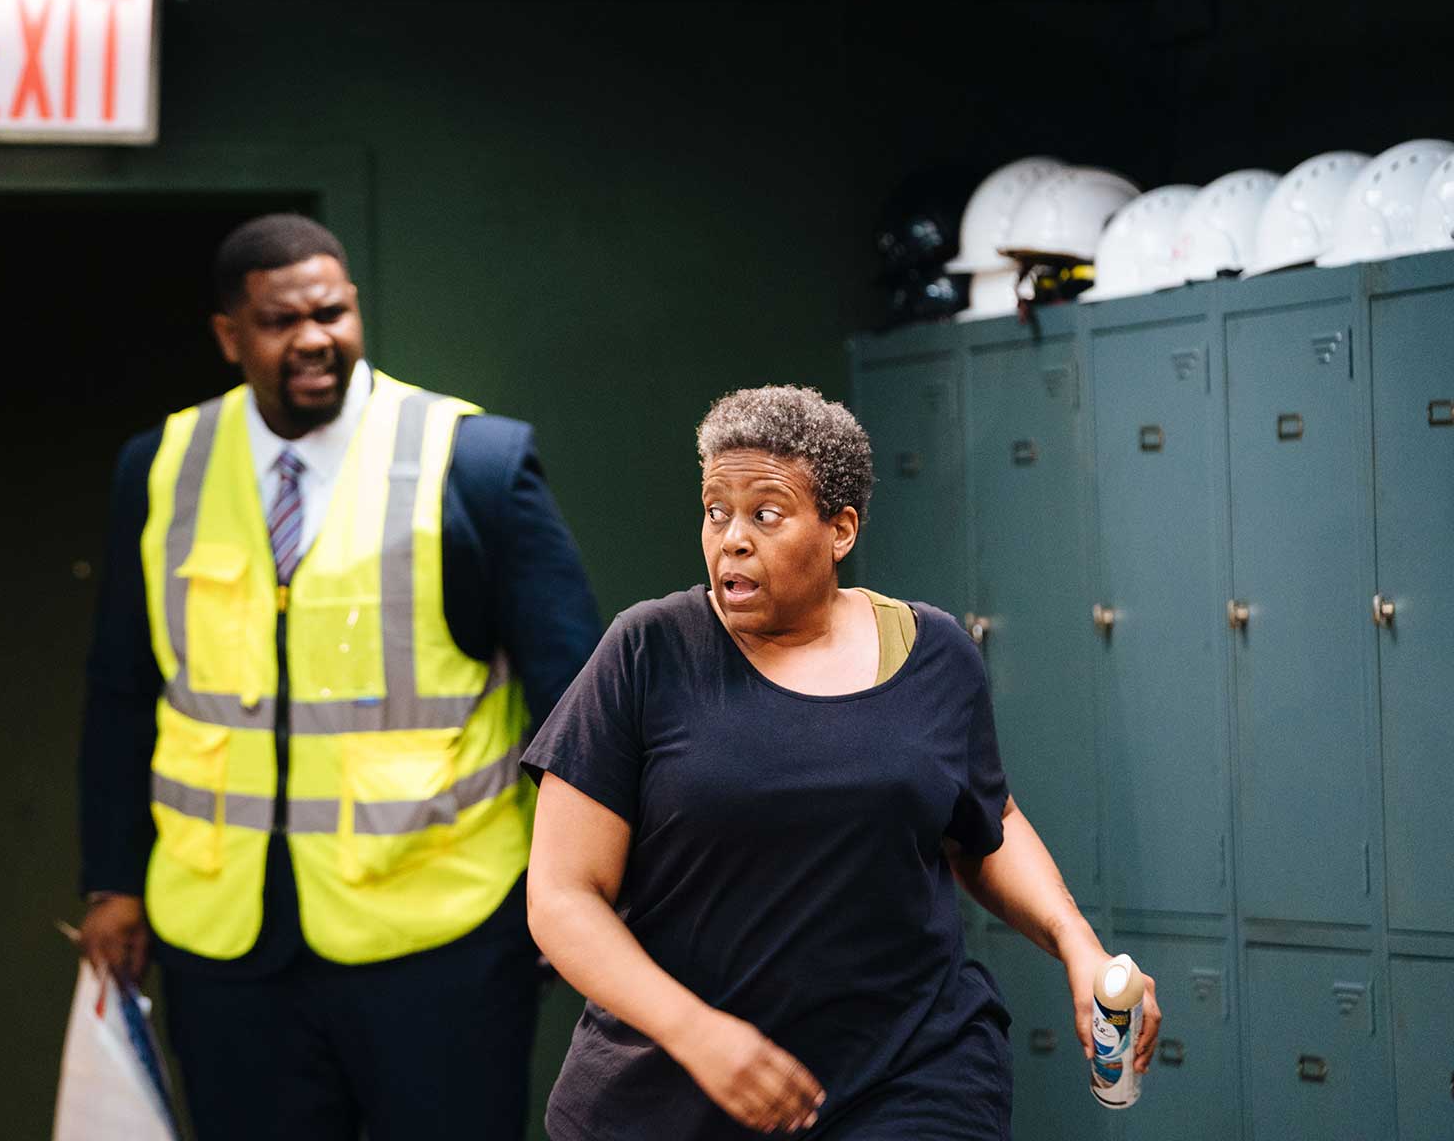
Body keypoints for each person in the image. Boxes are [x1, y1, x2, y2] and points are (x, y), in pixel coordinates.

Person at [78, 213, 602, 1141]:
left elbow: (578, 705)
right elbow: (123, 690)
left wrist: (571, 898)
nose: (316, 338)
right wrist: (113, 882)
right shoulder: (159, 470)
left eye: (333, 312)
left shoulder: (474, 461)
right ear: (229, 337)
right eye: (283, 320)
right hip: (223, 939)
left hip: (441, 934)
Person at [521, 384, 1161, 1138]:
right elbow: (562, 897)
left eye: (765, 513)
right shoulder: (647, 651)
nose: (731, 537)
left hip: (908, 1071)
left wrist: (1075, 945)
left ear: (840, 529)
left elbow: (988, 826)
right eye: (715, 509)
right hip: (671, 1092)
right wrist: (697, 1032)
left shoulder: (934, 653)